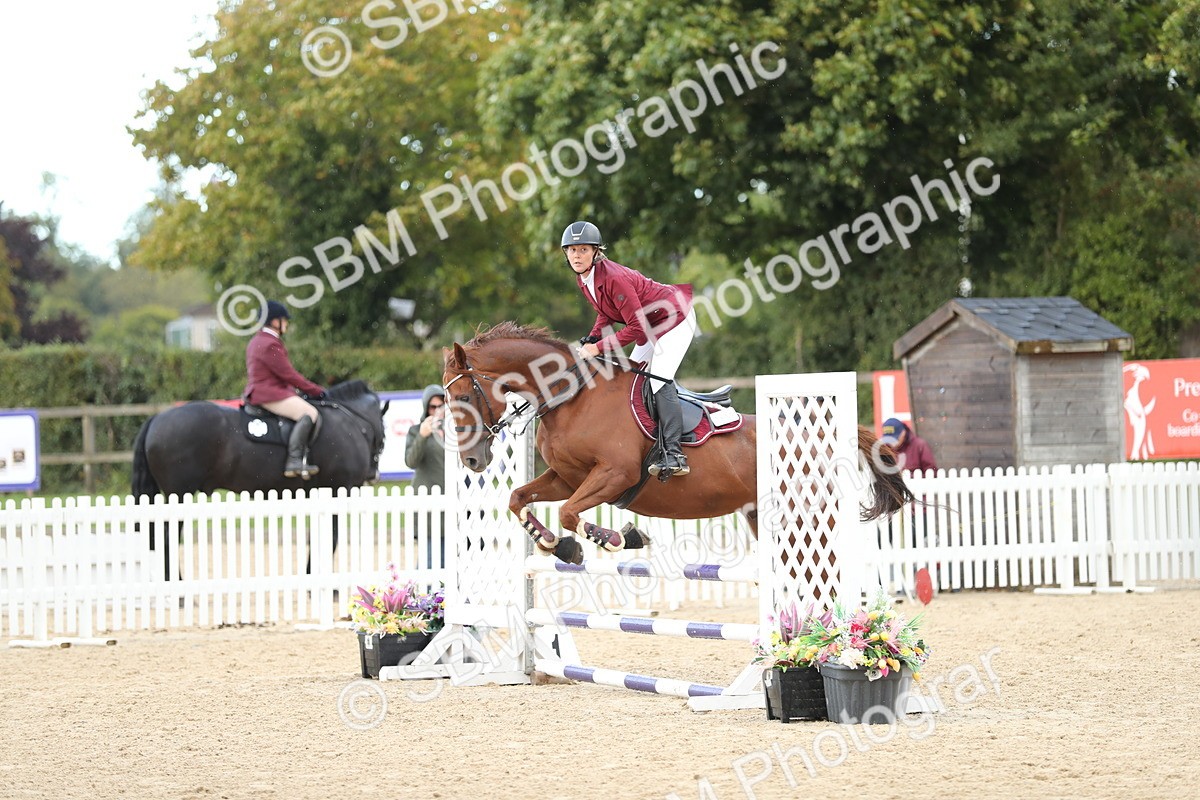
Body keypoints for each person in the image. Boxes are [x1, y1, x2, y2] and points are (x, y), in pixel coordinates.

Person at [562, 220, 696, 478]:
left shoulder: (614, 277)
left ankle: (674, 453)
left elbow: (635, 327)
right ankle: (644, 441)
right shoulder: (585, 278)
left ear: (595, 252)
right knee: (632, 379)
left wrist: (598, 348)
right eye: (572, 250)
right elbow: (605, 313)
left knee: (658, 379)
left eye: (583, 250)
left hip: (675, 317)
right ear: (565, 253)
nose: (577, 256)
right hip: (651, 323)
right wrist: (592, 338)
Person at [244, 300, 325, 478]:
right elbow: (289, 375)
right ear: (274, 321)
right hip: (269, 393)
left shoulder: (257, 340)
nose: (286, 323)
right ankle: (294, 460)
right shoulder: (270, 343)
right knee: (310, 413)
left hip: (263, 390)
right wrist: (316, 390)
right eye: (284, 320)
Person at [405, 385, 447, 491]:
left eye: (441, 406)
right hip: (425, 494)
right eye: (433, 407)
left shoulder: (453, 430)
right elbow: (411, 463)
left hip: (453, 495)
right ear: (426, 408)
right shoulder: (415, 430)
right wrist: (422, 436)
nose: (437, 410)